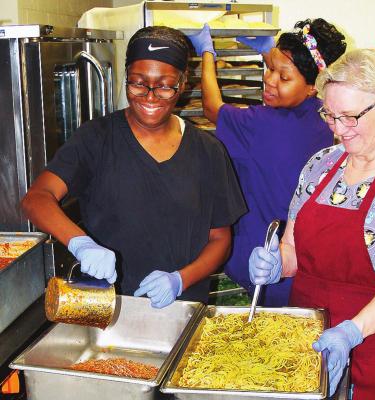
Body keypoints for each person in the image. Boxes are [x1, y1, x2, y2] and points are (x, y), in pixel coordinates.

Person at [21, 26, 247, 308]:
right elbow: (36, 198)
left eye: (164, 85)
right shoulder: (97, 138)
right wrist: (81, 243)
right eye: (138, 83)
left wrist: (180, 279)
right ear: (126, 77)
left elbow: (220, 238)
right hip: (108, 309)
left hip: (183, 307)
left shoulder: (208, 151)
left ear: (183, 82)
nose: (150, 97)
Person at [249, 49, 375, 399]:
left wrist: (351, 332)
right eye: (330, 115)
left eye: (350, 116)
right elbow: (292, 249)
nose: (337, 129)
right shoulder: (321, 166)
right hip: (307, 343)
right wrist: (276, 264)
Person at [189, 19, 346, 306]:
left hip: (265, 255)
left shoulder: (262, 124)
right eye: (270, 68)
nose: (270, 80)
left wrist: (206, 52)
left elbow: (211, 108)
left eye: (283, 77)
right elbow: (292, 82)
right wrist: (270, 53)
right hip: (302, 255)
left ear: (313, 87)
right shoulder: (321, 116)